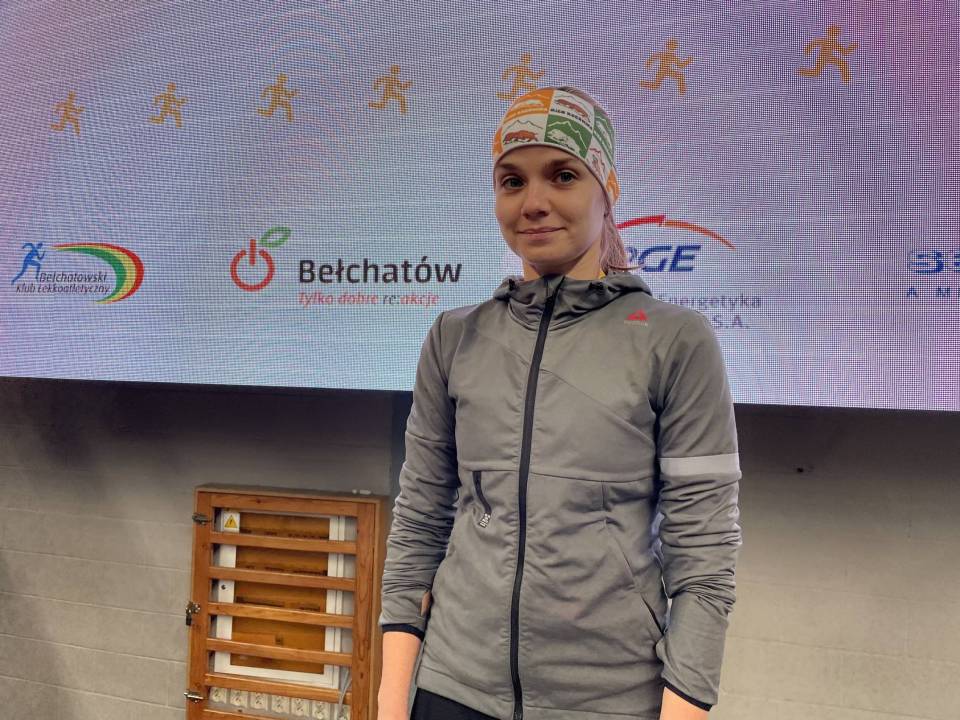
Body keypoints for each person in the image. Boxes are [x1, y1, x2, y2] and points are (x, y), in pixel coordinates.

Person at [377, 86, 742, 720]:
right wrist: (390, 701)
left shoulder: (675, 341)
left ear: (608, 189)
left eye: (563, 175)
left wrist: (684, 706)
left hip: (606, 699)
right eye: (512, 181)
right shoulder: (454, 338)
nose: (534, 202)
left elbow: (704, 552)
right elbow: (420, 521)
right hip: (452, 688)